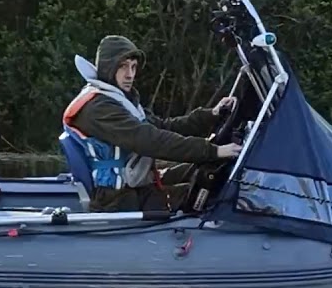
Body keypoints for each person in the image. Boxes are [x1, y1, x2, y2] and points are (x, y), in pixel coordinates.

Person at [62, 35, 243, 212]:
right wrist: (213, 150)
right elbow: (151, 141)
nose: (130, 75)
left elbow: (163, 126)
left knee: (204, 171)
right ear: (108, 68)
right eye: (123, 67)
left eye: (133, 67)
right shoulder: (99, 108)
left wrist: (211, 115)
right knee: (207, 195)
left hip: (136, 184)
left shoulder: (120, 99)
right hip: (117, 199)